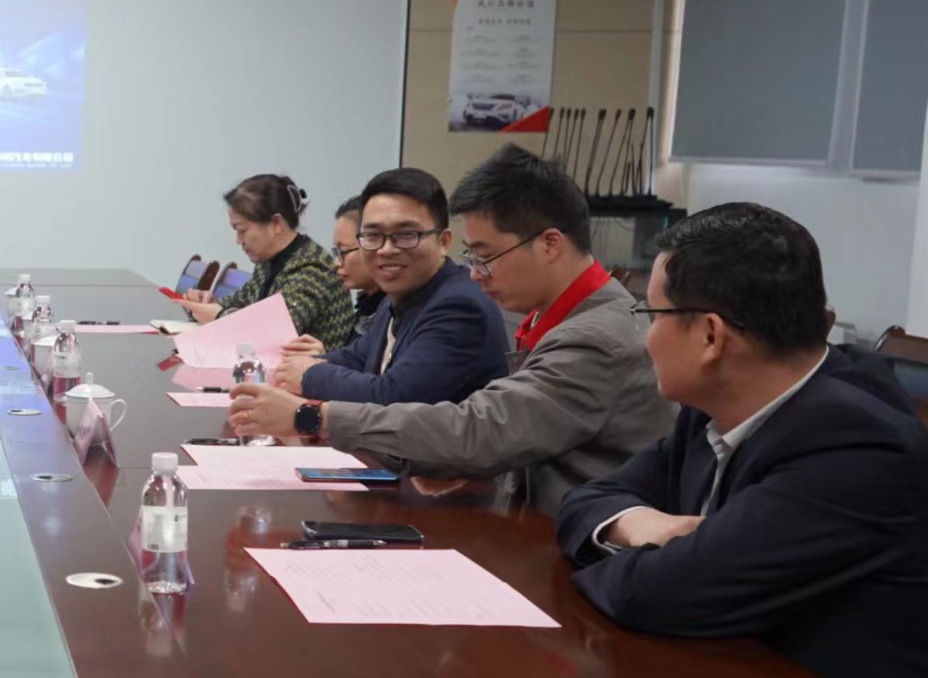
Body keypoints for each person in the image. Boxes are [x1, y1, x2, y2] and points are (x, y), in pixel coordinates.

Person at [556, 203, 928, 678]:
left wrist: (666, 559)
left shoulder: (856, 446)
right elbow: (584, 501)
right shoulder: (715, 404)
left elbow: (661, 595)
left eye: (651, 315)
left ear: (710, 336)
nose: (644, 340)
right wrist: (640, 525)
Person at [231, 145, 671, 510]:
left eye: (486, 256)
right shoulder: (555, 315)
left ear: (550, 243)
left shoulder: (595, 338)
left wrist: (310, 415)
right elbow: (525, 432)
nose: (476, 273)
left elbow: (479, 429)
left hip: (569, 546)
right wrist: (460, 464)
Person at [272, 166, 505, 406]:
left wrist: (309, 375)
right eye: (373, 236)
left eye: (406, 235)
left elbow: (395, 397)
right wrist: (295, 366)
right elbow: (357, 357)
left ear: (443, 242)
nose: (386, 249)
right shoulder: (397, 296)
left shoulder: (460, 307)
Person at [179, 174, 356, 346]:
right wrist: (206, 303)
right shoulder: (267, 261)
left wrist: (219, 315)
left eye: (242, 230)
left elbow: (271, 334)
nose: (238, 240)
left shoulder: (313, 268)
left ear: (276, 224)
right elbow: (243, 301)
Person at [331, 194, 383, 322]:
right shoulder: (367, 308)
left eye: (343, 251)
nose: (336, 263)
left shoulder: (397, 315)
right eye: (337, 252)